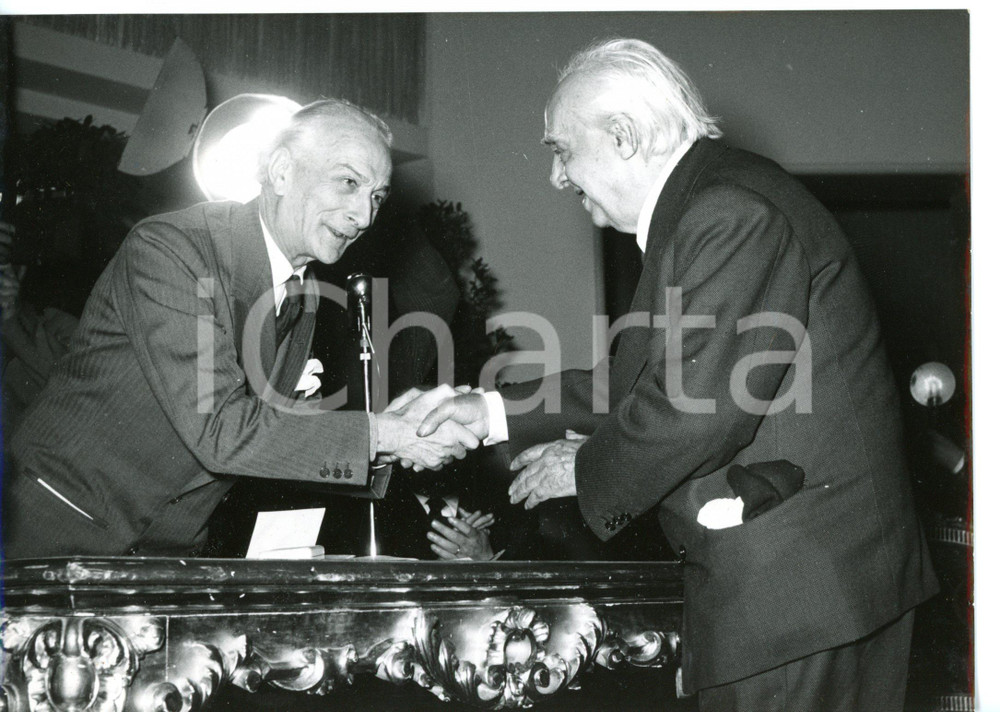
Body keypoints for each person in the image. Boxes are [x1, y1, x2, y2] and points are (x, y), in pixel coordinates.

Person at [418, 39, 939, 711]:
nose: (556, 177)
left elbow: (695, 410)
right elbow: (636, 379)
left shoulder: (722, 213)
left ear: (624, 136)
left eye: (561, 150)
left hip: (796, 602)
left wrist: (580, 469)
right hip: (811, 595)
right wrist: (486, 411)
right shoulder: (709, 204)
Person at [2, 99, 479, 559]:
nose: (364, 216)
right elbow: (220, 427)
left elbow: (278, 436)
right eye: (348, 183)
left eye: (376, 196)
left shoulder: (303, 295)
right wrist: (386, 434)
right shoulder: (173, 249)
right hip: (54, 533)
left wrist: (409, 431)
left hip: (162, 556)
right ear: (281, 171)